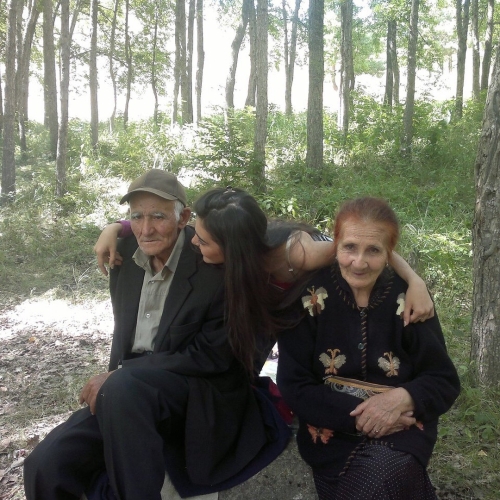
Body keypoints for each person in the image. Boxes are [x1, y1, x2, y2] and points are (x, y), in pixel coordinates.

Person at [23, 170, 290, 500]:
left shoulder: (213, 256)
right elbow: (136, 228)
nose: (145, 229)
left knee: (123, 393)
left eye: (159, 217)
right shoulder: (124, 253)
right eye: (137, 217)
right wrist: (116, 226)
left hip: (191, 390)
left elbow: (211, 355)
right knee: (45, 464)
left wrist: (123, 374)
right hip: (125, 394)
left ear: (184, 218)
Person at [276, 197, 461, 500]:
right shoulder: (308, 297)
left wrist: (404, 397)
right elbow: (294, 384)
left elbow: (443, 380)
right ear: (335, 245)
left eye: (373, 250)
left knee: (381, 477)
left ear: (389, 252)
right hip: (330, 432)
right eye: (349, 247)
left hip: (401, 432)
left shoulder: (409, 298)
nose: (359, 262)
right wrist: (362, 416)